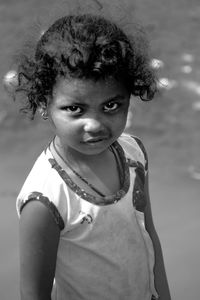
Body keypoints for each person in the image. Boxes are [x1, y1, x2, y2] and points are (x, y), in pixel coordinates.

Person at [11, 12, 171, 300]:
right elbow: (33, 294)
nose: (95, 124)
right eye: (75, 109)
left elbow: (149, 237)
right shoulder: (45, 200)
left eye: (111, 105)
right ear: (44, 103)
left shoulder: (134, 154)